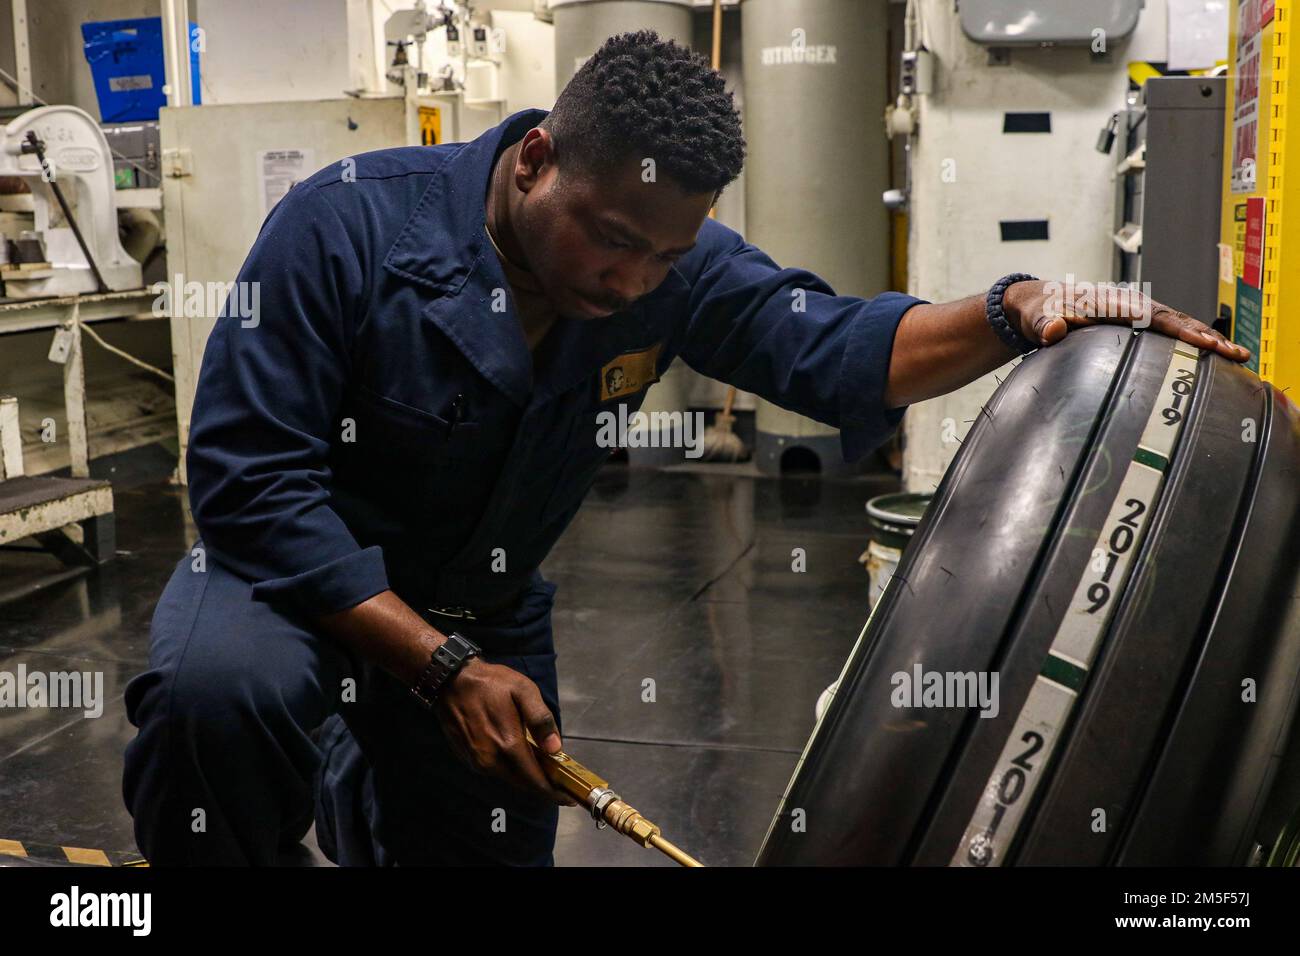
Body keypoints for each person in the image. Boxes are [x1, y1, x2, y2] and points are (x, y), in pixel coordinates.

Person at [122, 30, 1249, 866]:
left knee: (483, 842)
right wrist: (434, 666)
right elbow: (247, 479)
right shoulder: (343, 225)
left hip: (480, 599)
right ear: (533, 161)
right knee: (223, 693)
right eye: (612, 241)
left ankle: (363, 774)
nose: (631, 282)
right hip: (289, 573)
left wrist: (1016, 308)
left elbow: (837, 346)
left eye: (664, 259)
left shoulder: (666, 261)